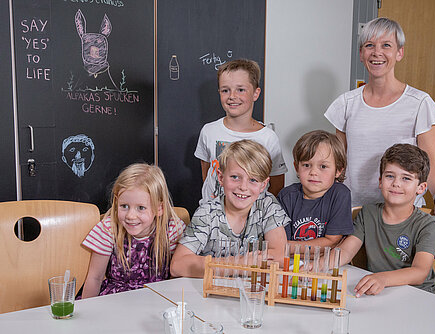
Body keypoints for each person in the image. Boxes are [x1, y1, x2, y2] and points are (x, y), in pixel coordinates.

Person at [324, 17, 435, 227]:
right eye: (369, 45)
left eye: (386, 45)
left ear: (399, 53)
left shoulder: (419, 103)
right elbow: (338, 164)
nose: (377, 52)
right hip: (353, 211)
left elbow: (430, 160)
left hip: (403, 214)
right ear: (361, 54)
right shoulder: (346, 103)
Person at [171, 140, 289, 278]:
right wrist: (239, 264)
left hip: (251, 292)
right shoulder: (207, 213)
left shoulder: (267, 204)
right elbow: (177, 266)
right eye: (235, 177)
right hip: (210, 292)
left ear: (263, 185)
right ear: (221, 177)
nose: (243, 187)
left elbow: (280, 256)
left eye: (253, 180)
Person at [333, 144, 435, 296]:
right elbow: (345, 252)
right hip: (381, 291)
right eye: (390, 176)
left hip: (419, 295)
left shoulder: (428, 224)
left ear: (421, 188)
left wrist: (382, 278)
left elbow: (420, 272)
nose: (396, 183)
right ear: (380, 181)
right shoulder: (368, 213)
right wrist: (316, 265)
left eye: (406, 178)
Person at [81, 163, 185, 297]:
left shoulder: (172, 229)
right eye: (124, 206)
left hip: (158, 299)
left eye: (141, 208)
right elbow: (95, 278)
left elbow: (177, 279)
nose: (130, 216)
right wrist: (88, 314)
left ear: (159, 208)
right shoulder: (109, 228)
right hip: (115, 300)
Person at [195, 59, 287, 204]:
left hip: (252, 219)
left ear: (256, 94)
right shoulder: (209, 131)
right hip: (212, 217)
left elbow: (276, 184)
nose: (232, 96)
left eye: (241, 90)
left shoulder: (268, 138)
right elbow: (207, 172)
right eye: (225, 90)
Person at [277, 130, 353, 253]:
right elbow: (280, 240)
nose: (313, 172)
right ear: (297, 168)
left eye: (323, 166)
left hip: (327, 265)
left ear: (338, 170)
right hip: (290, 263)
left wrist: (288, 247)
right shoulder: (286, 196)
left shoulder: (340, 194)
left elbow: (332, 241)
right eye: (306, 165)